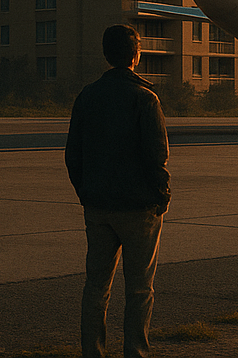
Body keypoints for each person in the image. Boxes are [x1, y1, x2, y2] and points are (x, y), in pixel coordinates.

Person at [65, 24, 171, 358]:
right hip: (139, 209)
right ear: (136, 55)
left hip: (98, 207)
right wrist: (161, 195)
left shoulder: (87, 95)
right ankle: (135, 352)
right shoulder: (145, 97)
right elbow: (158, 156)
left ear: (106, 54)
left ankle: (92, 351)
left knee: (96, 287)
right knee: (140, 289)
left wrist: (86, 193)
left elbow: (72, 155)